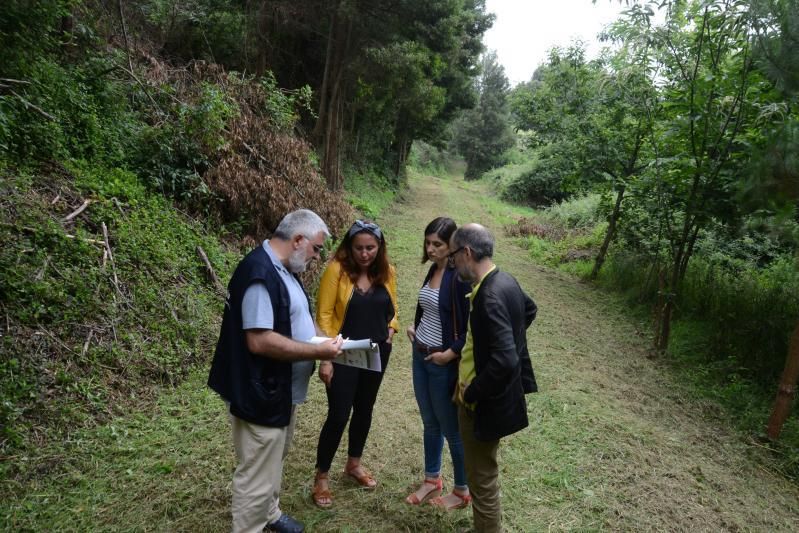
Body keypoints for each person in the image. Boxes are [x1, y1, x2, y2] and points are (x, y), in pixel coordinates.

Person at [208, 209, 344, 533]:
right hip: (258, 394)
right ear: (298, 240)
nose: (316, 257)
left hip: (278, 392)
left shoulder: (284, 269)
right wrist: (317, 350)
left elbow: (296, 316)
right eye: (316, 249)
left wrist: (327, 343)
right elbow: (259, 340)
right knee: (255, 473)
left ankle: (269, 512)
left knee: (275, 457)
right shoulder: (259, 273)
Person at [449, 223, 538, 533]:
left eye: (453, 255)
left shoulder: (489, 296)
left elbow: (506, 359)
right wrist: (503, 339)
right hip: (490, 397)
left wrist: (472, 392)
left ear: (467, 252)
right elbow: (529, 309)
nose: (452, 262)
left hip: (482, 403)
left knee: (481, 478)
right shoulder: (505, 280)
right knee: (482, 473)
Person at [311, 219, 399, 508]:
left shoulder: (387, 272)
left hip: (375, 353)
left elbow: (392, 309)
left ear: (379, 247)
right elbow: (323, 316)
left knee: (365, 409)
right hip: (343, 354)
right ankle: (322, 476)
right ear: (349, 247)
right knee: (338, 413)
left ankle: (354, 464)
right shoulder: (336, 270)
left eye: (371, 248)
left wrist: (391, 329)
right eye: (359, 248)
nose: (364, 254)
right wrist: (326, 358)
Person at [405, 217, 472, 510]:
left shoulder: (459, 279)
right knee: (429, 423)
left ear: (451, 246)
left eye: (438, 244)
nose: (431, 249)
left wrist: (451, 353)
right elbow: (429, 309)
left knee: (450, 429)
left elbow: (470, 328)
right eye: (428, 242)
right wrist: (415, 328)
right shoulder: (433, 269)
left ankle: (462, 490)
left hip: (442, 361)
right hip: (420, 355)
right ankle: (432, 479)